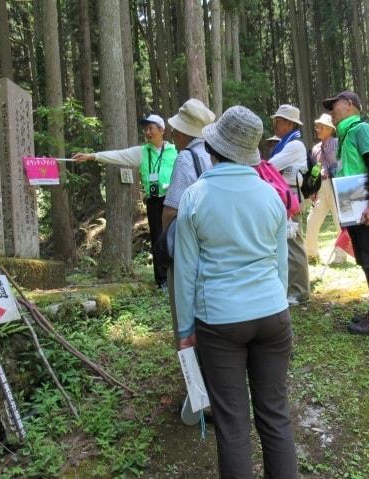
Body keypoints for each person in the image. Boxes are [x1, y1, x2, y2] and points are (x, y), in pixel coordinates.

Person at [174, 106, 298, 478]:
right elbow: (280, 267)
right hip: (274, 316)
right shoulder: (270, 196)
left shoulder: (195, 197)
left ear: (213, 148)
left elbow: (185, 273)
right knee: (275, 416)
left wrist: (184, 331)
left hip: (220, 322)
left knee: (232, 425)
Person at [73, 115, 177, 288]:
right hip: (153, 201)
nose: (147, 132)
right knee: (157, 238)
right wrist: (91, 156)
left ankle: (177, 275)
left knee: (176, 236)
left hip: (172, 199)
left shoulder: (175, 151)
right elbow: (117, 156)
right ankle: (162, 280)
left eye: (151, 128)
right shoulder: (142, 152)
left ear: (161, 130)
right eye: (145, 129)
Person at [323, 91, 369, 334]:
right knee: (365, 258)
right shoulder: (345, 135)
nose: (332, 111)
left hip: (365, 208)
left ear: (351, 104)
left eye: (335, 105)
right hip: (354, 208)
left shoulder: (362, 129)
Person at [161, 98, 215, 347]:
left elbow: (171, 209)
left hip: (188, 243)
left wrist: (168, 243)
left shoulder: (185, 158)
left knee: (183, 301)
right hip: (212, 241)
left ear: (183, 132)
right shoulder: (214, 154)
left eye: (176, 129)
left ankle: (191, 364)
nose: (173, 133)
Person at [268, 104, 310, 305]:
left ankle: (300, 291)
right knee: (287, 241)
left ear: (290, 124)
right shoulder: (286, 143)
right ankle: (293, 287)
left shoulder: (294, 145)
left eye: (280, 121)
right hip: (286, 196)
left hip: (291, 197)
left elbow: (272, 166)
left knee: (294, 242)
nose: (276, 124)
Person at [305, 113, 347, 265]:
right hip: (321, 187)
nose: (318, 129)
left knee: (339, 221)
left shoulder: (338, 144)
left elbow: (341, 165)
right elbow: (315, 169)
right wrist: (312, 188)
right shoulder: (315, 148)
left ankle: (340, 256)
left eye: (321, 127)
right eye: (317, 126)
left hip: (335, 184)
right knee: (312, 220)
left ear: (330, 129)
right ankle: (311, 254)